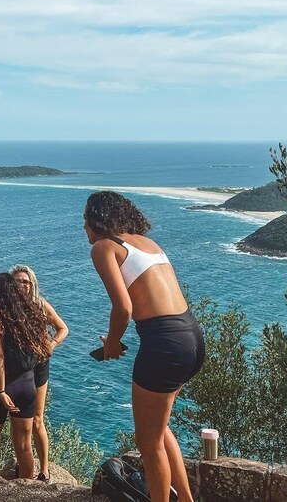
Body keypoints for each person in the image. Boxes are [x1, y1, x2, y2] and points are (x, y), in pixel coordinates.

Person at [84, 191, 205, 502]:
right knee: (159, 429)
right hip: (190, 335)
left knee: (148, 442)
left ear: (97, 221)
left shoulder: (103, 247)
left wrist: (111, 343)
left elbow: (123, 307)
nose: (83, 227)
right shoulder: (148, 244)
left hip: (164, 342)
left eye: (85, 220)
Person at [0, 265, 68, 483]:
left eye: (25, 282)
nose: (21, 286)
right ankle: (27, 490)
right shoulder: (27, 314)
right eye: (17, 282)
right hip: (26, 380)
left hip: (6, 380)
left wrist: (51, 344)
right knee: (24, 445)